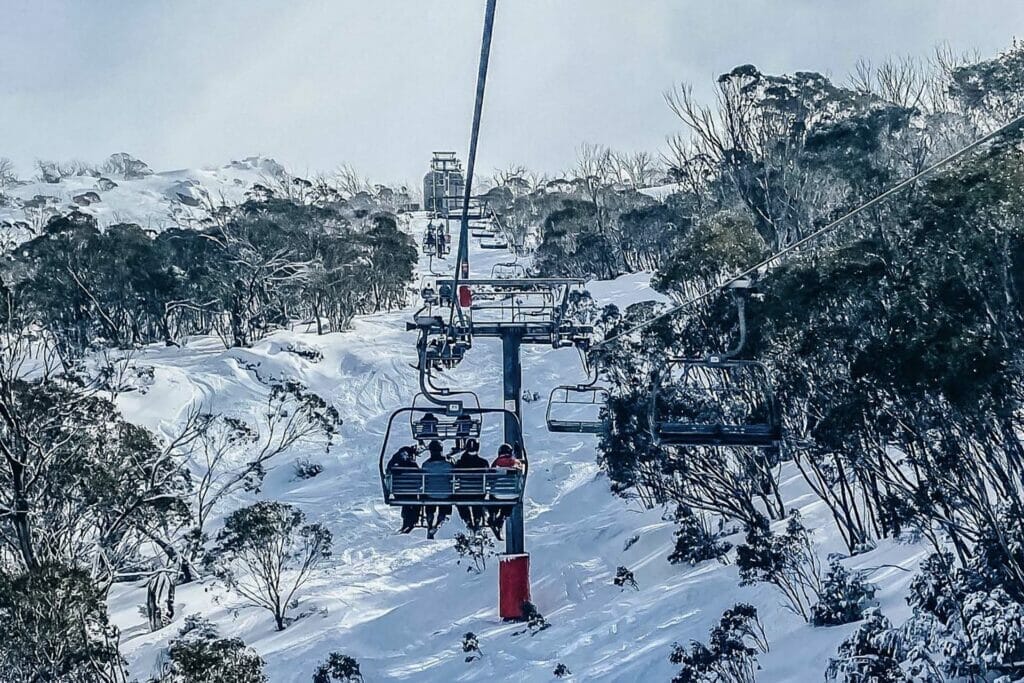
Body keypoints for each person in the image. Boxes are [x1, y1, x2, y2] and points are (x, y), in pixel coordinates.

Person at [487, 443, 524, 540]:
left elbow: (491, 477)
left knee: (494, 497)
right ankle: (501, 518)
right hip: (512, 493)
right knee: (509, 500)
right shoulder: (516, 462)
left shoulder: (497, 462)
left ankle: (492, 515)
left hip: (498, 494)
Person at [453, 439, 488, 532]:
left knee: (458, 499)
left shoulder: (460, 463)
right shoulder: (483, 463)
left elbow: (454, 476)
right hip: (479, 493)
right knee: (478, 499)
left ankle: (467, 519)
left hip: (464, 494)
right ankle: (477, 519)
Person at [385, 446, 422, 534]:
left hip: (398, 494)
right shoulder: (412, 465)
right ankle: (412, 521)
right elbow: (420, 479)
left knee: (407, 500)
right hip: (412, 494)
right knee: (416, 500)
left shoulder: (392, 464)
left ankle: (406, 522)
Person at [421, 440, 453, 539]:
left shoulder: (426, 465)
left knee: (429, 499)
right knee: (445, 500)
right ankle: (439, 522)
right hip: (445, 494)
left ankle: (430, 522)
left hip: (430, 494)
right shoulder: (448, 465)